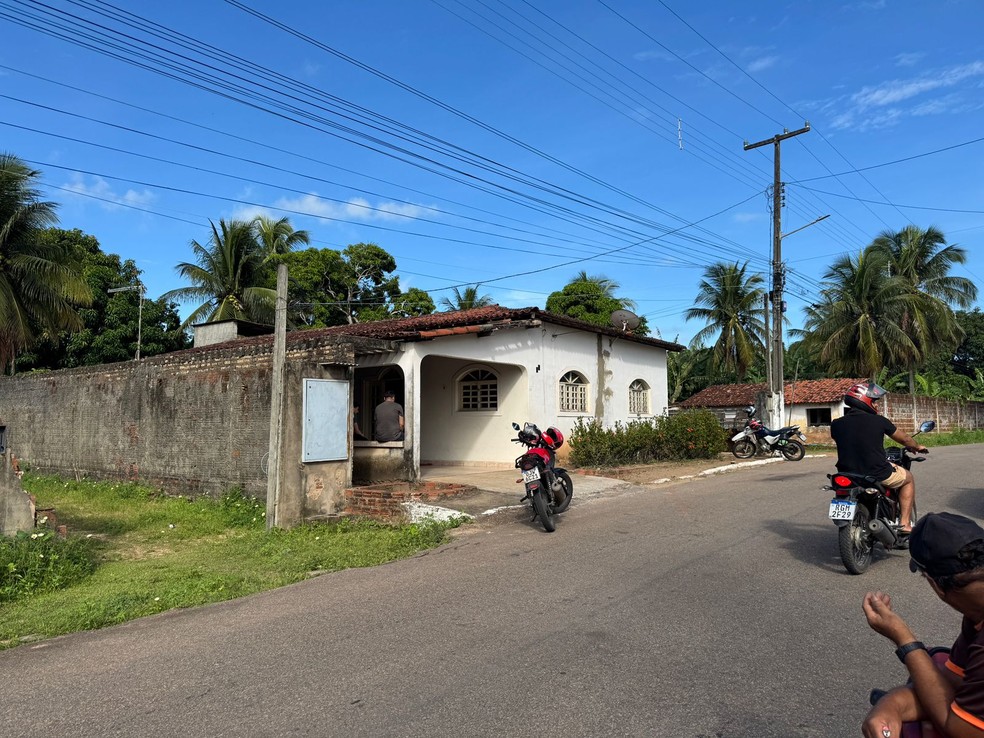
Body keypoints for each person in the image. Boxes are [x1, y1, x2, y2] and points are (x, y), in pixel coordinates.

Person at [861, 512, 984, 738]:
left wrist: (905, 640)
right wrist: (891, 706)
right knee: (934, 665)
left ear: (935, 584)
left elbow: (962, 727)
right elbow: (953, 682)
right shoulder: (976, 615)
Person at [830, 382, 928, 534]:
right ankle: (905, 524)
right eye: (874, 401)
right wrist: (916, 446)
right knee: (908, 479)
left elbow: (853, 443)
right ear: (865, 400)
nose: (876, 405)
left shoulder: (836, 424)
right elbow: (905, 440)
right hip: (876, 472)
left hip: (847, 473)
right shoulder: (879, 421)